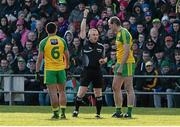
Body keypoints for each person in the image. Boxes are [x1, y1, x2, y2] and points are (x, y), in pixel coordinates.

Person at [72, 9, 107, 118]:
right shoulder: (84, 44)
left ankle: (98, 114)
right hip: (86, 71)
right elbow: (82, 29)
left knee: (98, 93)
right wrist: (84, 16)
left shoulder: (101, 47)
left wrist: (104, 61)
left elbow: (104, 58)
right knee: (81, 93)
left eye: (96, 34)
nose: (95, 36)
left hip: (97, 71)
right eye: (93, 34)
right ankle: (76, 111)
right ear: (89, 36)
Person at [35, 22, 69, 119]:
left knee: (53, 93)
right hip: (61, 69)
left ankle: (55, 114)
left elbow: (39, 58)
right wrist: (66, 66)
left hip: (50, 70)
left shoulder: (44, 42)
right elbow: (67, 55)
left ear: (46, 30)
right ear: (56, 30)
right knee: (62, 91)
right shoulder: (62, 40)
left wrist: (37, 71)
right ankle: (63, 113)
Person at [108, 16, 135, 118]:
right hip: (120, 62)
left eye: (109, 24)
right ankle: (118, 111)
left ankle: (129, 112)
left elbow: (127, 51)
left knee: (128, 87)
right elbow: (121, 51)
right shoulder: (119, 33)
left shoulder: (124, 33)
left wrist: (121, 66)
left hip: (127, 63)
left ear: (114, 23)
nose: (109, 26)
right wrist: (117, 64)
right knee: (115, 87)